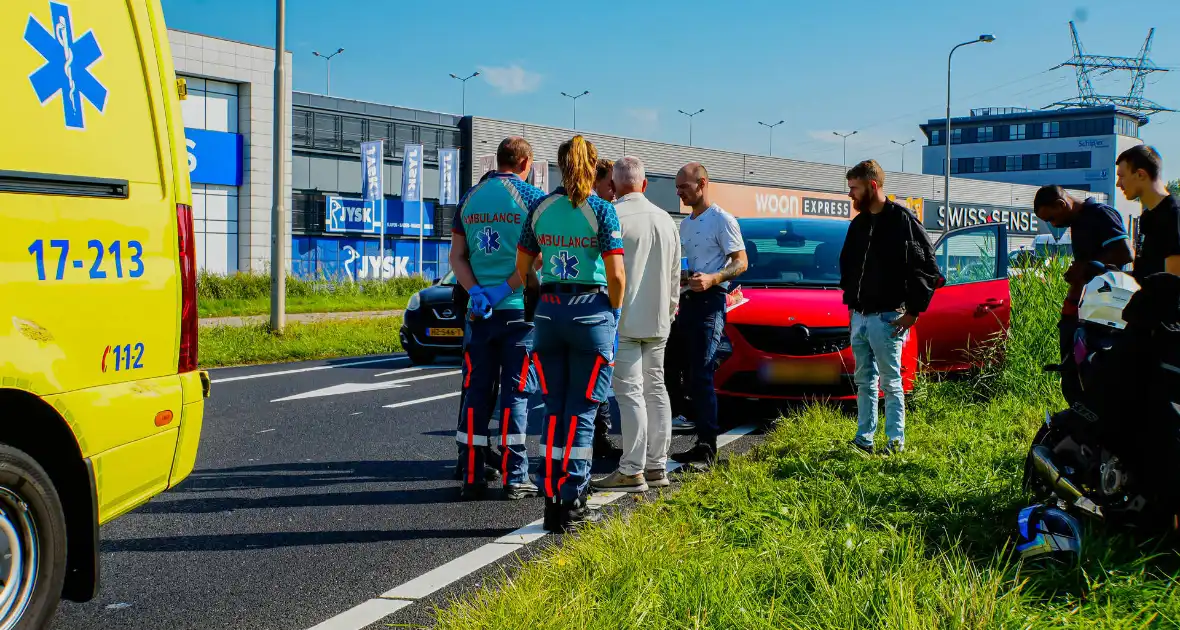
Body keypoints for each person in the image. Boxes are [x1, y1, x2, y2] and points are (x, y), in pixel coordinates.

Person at [516, 135, 626, 532]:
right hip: (591, 313)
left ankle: (550, 500)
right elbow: (615, 275)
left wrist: (541, 301)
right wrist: (612, 312)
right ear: (594, 166)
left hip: (548, 313)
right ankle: (573, 499)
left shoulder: (540, 207)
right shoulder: (601, 210)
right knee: (581, 410)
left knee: (553, 409)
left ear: (560, 166)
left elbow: (525, 266)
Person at [450, 136, 546, 501]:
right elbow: (536, 261)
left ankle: (472, 475)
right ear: (524, 163)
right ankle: (515, 476)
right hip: (518, 313)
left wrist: (477, 291)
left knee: (476, 393)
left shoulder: (470, 198)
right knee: (516, 394)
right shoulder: (533, 201)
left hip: (479, 315)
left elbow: (457, 256)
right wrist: (503, 290)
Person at [838, 159, 940, 456]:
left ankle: (895, 443)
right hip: (859, 316)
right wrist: (851, 308)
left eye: (854, 189)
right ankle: (863, 440)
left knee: (892, 382)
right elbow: (848, 266)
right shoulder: (858, 224)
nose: (850, 196)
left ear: (872, 186)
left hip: (887, 317)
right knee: (864, 381)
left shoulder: (903, 221)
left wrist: (913, 312)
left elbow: (927, 268)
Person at [592, 157, 681, 492]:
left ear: (613, 185)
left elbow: (606, 271)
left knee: (629, 395)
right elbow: (675, 275)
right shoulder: (666, 220)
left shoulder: (611, 214)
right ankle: (657, 465)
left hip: (622, 319)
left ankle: (632, 469)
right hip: (659, 320)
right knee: (656, 390)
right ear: (644, 184)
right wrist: (670, 310)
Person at [669, 162, 747, 465]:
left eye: (684, 187)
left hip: (711, 302)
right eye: (677, 188)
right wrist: (684, 279)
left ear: (702, 183)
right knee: (672, 366)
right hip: (687, 302)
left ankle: (708, 446)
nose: (679, 193)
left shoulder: (722, 219)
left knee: (701, 372)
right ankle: (693, 425)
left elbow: (741, 262)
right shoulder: (686, 224)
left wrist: (714, 279)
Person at [1032, 185, 1133, 372]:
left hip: (1103, 308)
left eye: (1051, 218)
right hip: (1081, 304)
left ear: (1061, 204)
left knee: (1091, 365)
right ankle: (1077, 398)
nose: (1053, 225)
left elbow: (1125, 253)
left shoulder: (1101, 214)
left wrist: (1085, 267)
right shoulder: (1077, 222)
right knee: (1072, 361)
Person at [590, 158, 623, 459]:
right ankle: (597, 435)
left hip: (605, 304)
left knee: (604, 374)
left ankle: (600, 433)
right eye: (609, 183)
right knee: (599, 373)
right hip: (598, 305)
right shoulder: (597, 212)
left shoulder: (610, 210)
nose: (614, 189)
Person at [1115, 145, 1180, 280]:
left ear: (1140, 174)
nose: (1118, 184)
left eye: (1121, 176)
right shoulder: (1149, 216)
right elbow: (1149, 275)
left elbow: (1174, 285)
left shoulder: (1174, 216)